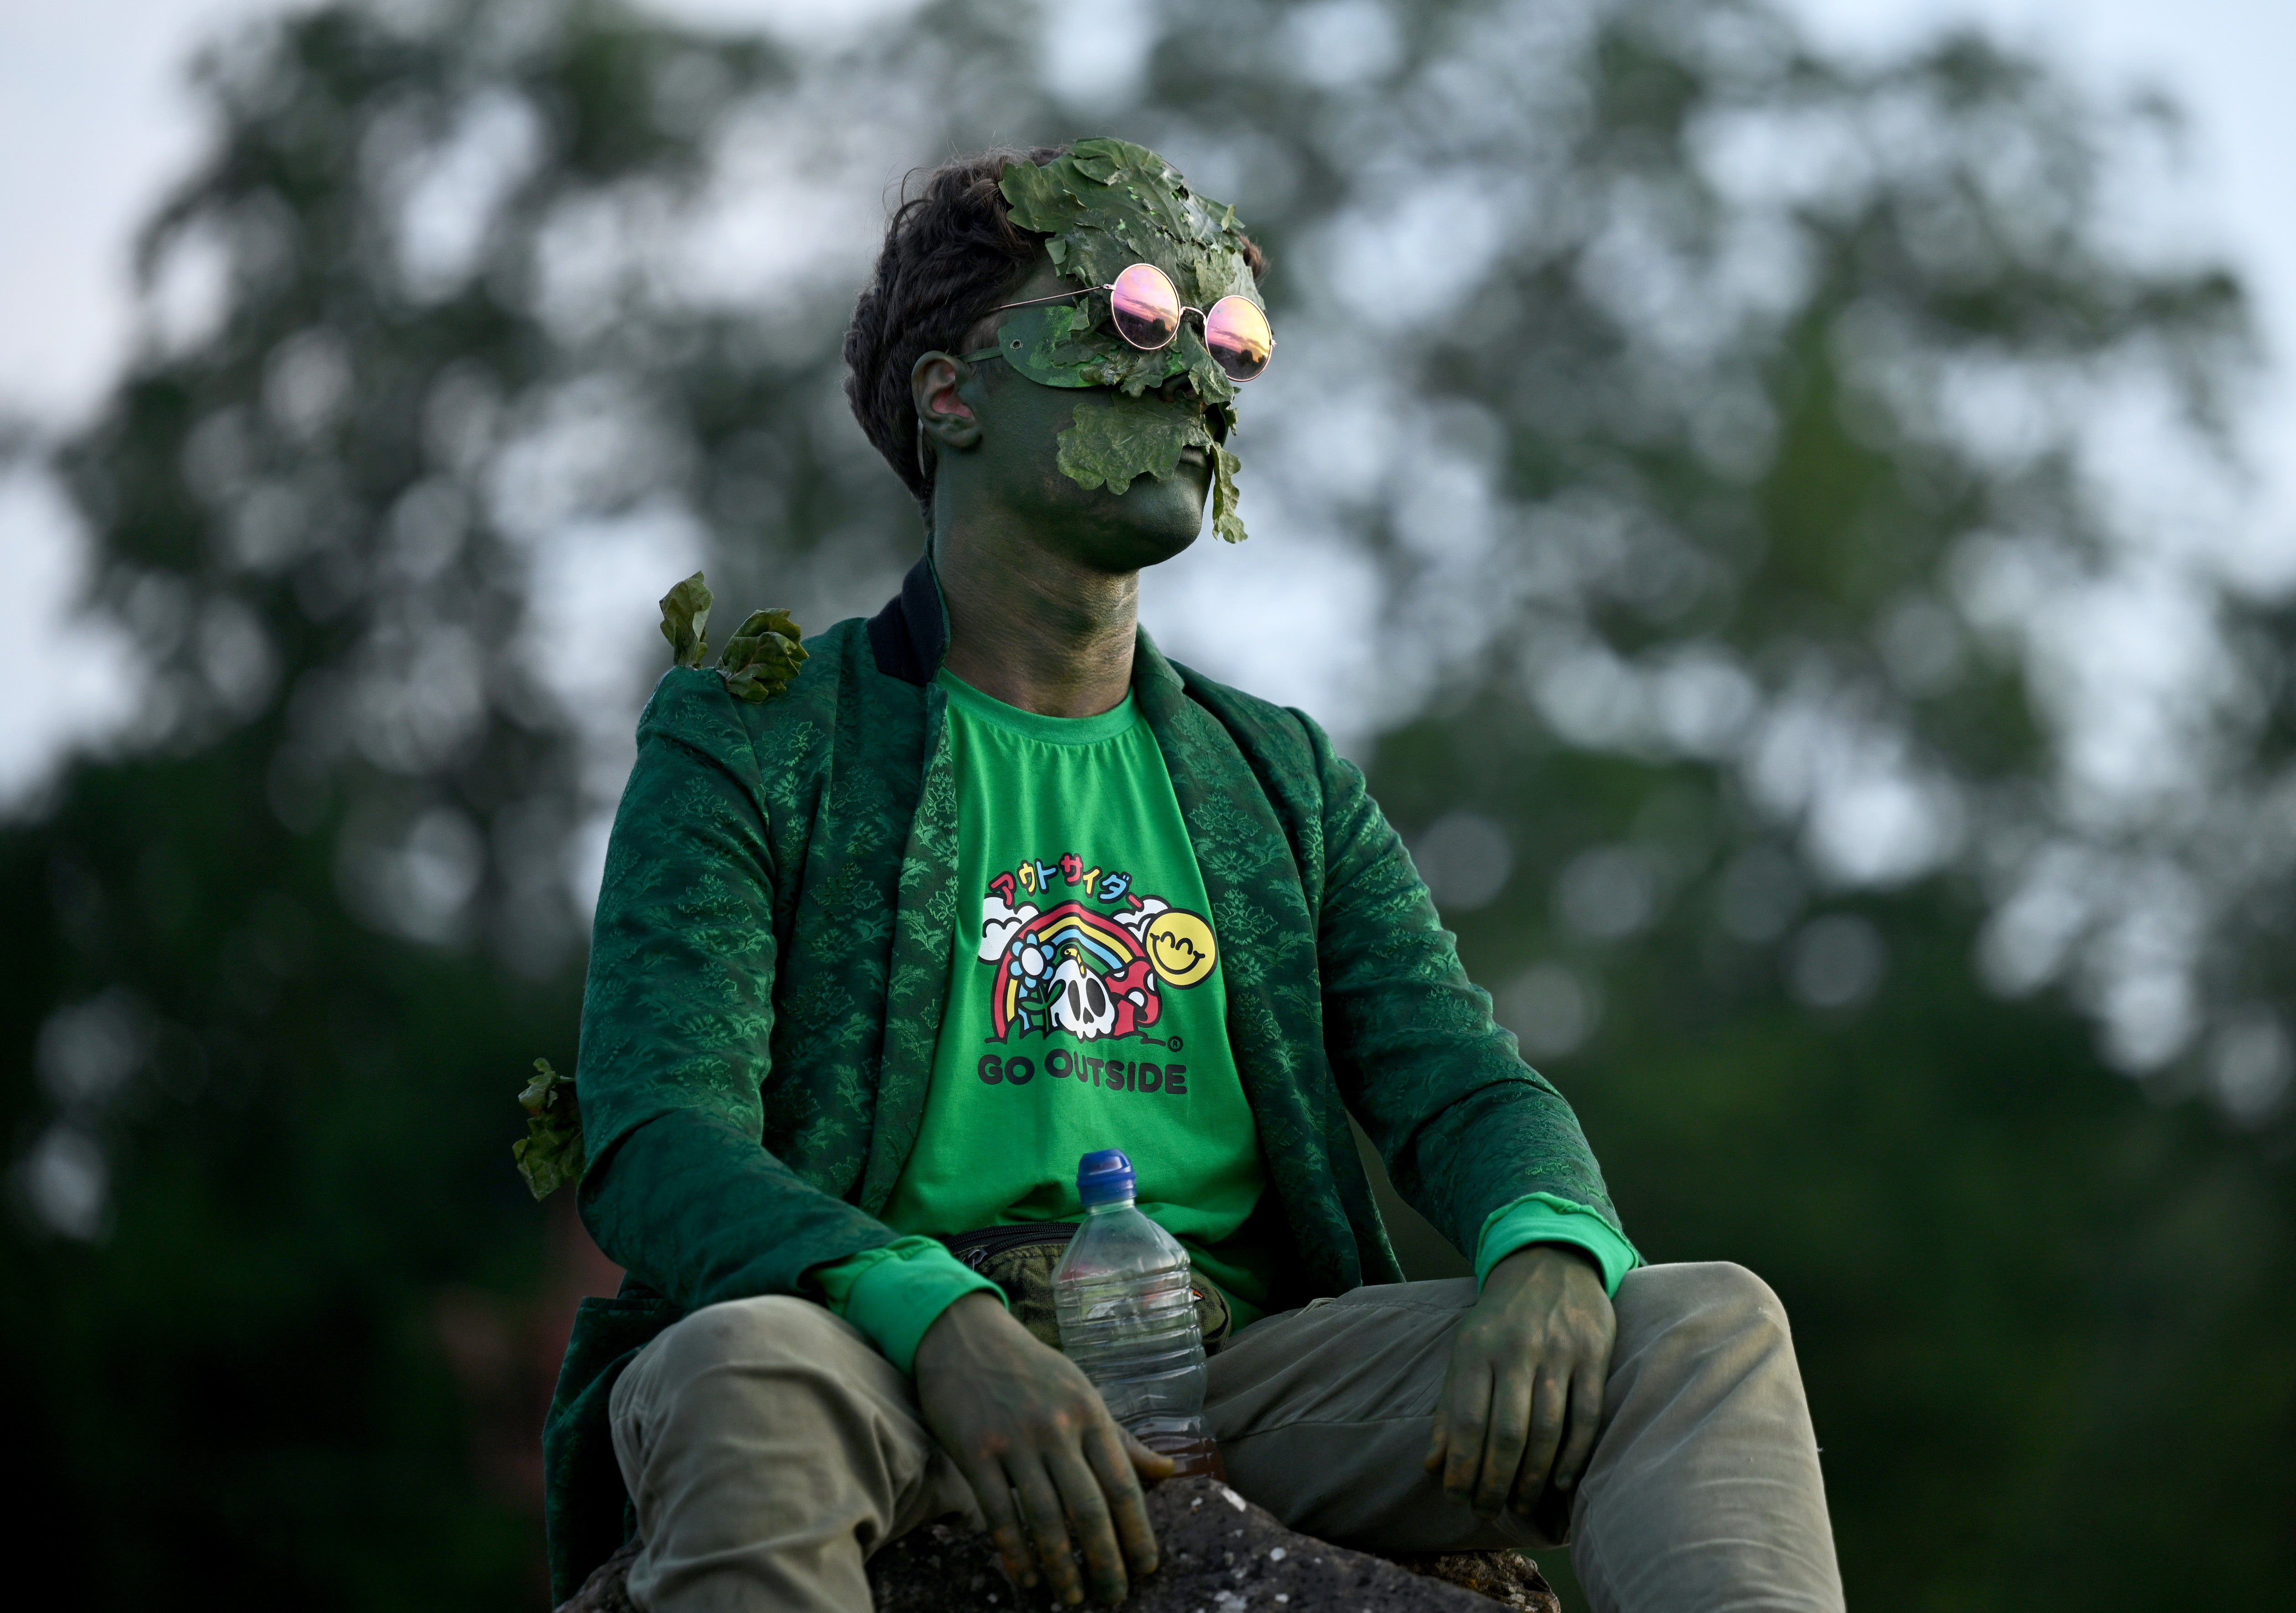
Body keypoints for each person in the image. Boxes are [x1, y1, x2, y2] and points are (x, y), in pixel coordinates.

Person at [544, 139, 1843, 1613]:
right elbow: (657, 1137)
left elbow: (1466, 1086)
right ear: (950, 395)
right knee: (738, 1367)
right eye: (1134, 319)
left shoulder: (1273, 776)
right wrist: (936, 1314)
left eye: (1231, 340)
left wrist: (1551, 1241)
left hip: (1228, 1379)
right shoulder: (759, 738)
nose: (1198, 381)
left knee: (1703, 1326)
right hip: (882, 1369)